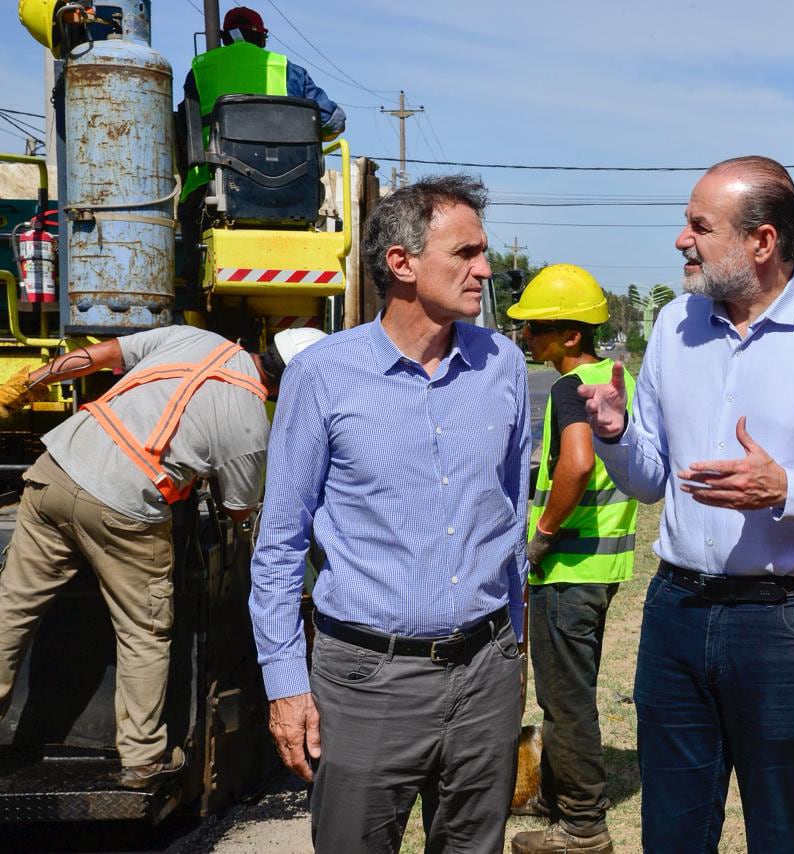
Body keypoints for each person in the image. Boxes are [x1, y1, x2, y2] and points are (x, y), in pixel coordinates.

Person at [578, 156, 794, 852]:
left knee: (781, 834)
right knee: (672, 832)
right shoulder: (673, 325)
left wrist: (790, 492)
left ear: (762, 241)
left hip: (788, 625)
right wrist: (616, 435)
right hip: (676, 614)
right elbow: (650, 479)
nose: (680, 241)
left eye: (699, 226)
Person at [249, 176, 530, 854]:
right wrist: (286, 686)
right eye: (465, 253)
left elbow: (511, 521)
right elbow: (280, 543)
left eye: (483, 252)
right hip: (368, 681)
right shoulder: (324, 376)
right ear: (401, 264)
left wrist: (513, 653)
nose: (484, 269)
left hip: (486, 674)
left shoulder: (505, 366)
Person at [0, 325, 322, 788]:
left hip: (55, 469)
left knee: (11, 611)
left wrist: (28, 384)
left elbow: (99, 356)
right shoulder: (251, 425)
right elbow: (237, 508)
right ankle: (144, 760)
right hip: (123, 510)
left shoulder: (196, 337)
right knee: (144, 631)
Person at [506, 265, 638, 854]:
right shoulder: (616, 381)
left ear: (570, 335)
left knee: (565, 702)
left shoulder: (569, 388)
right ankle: (564, 798)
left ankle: (582, 826)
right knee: (571, 693)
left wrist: (544, 531)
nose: (527, 337)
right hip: (602, 566)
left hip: (569, 568)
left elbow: (578, 464)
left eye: (535, 328)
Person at [177, 6, 346, 282]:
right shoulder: (287, 70)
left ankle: (193, 281)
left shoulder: (199, 71)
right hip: (291, 194)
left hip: (211, 193)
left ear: (224, 37)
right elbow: (333, 122)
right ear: (261, 38)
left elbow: (186, 130)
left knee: (188, 231)